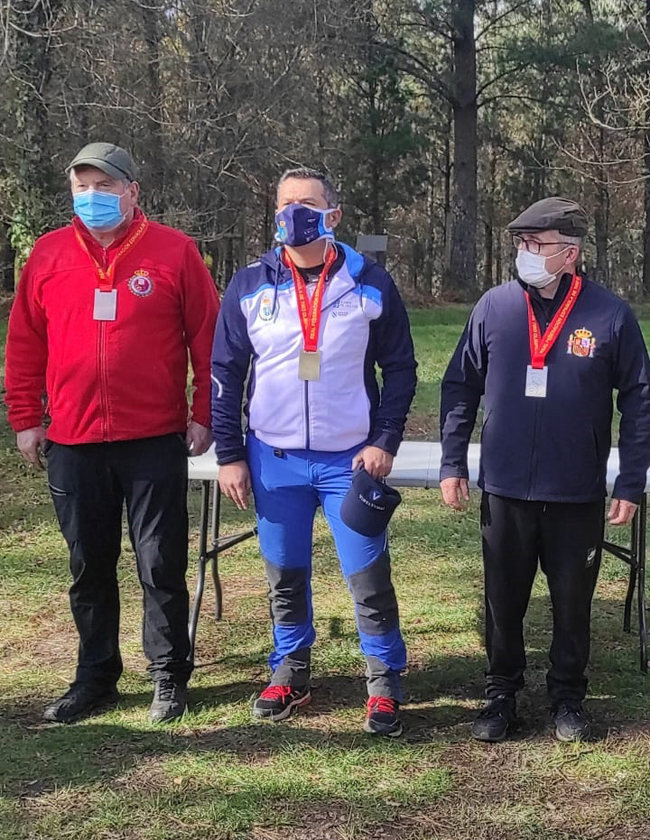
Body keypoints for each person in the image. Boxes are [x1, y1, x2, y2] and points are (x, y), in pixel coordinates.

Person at [5, 142, 220, 724]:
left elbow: (208, 339)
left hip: (153, 436)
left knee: (160, 561)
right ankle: (95, 675)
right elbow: (25, 343)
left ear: (132, 192)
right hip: (72, 441)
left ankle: (169, 674)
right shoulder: (48, 256)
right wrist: (26, 416)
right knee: (88, 565)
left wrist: (205, 412)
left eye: (104, 186)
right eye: (82, 187)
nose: (92, 197)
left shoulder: (174, 253)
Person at [211, 168, 417, 737]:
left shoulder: (368, 280)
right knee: (284, 574)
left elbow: (400, 367)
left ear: (334, 215)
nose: (293, 214)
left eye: (307, 204)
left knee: (367, 576)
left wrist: (385, 440)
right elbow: (225, 372)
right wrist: (230, 453)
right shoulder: (249, 283)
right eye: (284, 204)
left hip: (349, 460)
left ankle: (383, 681)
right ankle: (291, 671)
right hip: (273, 459)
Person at [440, 197, 650, 743]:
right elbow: (459, 384)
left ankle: (568, 698)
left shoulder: (609, 315)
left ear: (570, 253)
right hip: (506, 486)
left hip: (575, 490)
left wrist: (629, 480)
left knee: (571, 601)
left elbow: (639, 399)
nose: (524, 254)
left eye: (536, 245)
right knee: (502, 598)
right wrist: (452, 461)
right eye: (520, 245)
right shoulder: (494, 307)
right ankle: (501, 693)